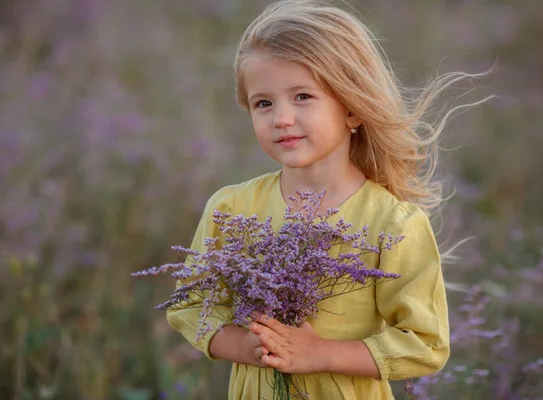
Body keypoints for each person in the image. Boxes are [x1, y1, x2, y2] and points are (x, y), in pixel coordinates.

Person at [167, 0, 490, 398]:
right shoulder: (232, 209)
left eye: (302, 96)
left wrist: (320, 354)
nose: (281, 117)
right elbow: (191, 306)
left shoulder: (393, 223)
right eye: (263, 103)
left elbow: (426, 344)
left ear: (352, 109)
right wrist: (252, 348)